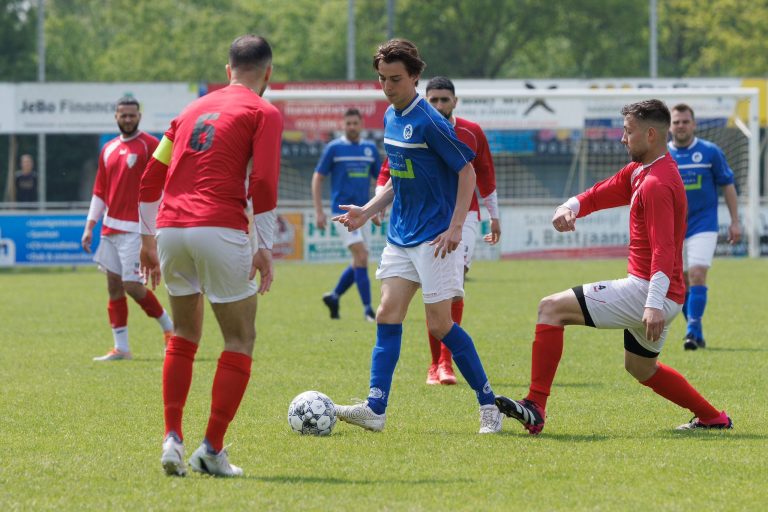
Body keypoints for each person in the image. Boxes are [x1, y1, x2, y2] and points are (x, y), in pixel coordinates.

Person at [495, 99, 732, 435]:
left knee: (550, 308)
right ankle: (713, 418)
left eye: (628, 132)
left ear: (650, 135)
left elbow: (664, 250)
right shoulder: (642, 171)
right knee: (641, 367)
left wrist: (652, 303)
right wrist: (571, 206)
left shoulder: (657, 183)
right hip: (662, 293)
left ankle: (535, 405)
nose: (623, 138)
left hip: (648, 291)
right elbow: (605, 191)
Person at [332, 39, 502, 434]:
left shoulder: (431, 121)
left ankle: (488, 404)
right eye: (381, 78)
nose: (387, 86)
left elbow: (467, 173)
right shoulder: (392, 117)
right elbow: (398, 179)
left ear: (414, 77)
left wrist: (457, 226)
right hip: (401, 237)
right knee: (388, 315)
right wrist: (368, 210)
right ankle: (376, 408)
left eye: (395, 79)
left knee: (441, 325)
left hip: (434, 239)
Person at [138, 34, 282, 478]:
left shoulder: (188, 112)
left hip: (170, 228)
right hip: (219, 227)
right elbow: (263, 184)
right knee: (239, 339)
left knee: (182, 335)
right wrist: (265, 246)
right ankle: (212, 449)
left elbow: (149, 178)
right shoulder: (264, 112)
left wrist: (147, 240)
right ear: (268, 74)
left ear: (227, 70)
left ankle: (172, 438)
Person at [376, 76, 501, 386]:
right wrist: (373, 205)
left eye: (446, 100)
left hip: (462, 217)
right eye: (435, 100)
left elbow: (480, 173)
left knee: (453, 287)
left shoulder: (470, 131)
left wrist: (493, 216)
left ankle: (446, 363)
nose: (440, 105)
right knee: (399, 307)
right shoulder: (407, 121)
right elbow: (391, 168)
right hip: (416, 225)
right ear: (426, 98)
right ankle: (433, 366)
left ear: (455, 101)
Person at [81, 97, 173, 362]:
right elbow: (100, 191)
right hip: (110, 229)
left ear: (139, 117)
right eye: (123, 115)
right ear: (116, 117)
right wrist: (90, 226)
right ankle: (121, 348)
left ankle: (170, 329)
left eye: (132, 115)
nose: (128, 119)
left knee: (132, 285)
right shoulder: (108, 149)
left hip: (136, 230)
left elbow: (164, 184)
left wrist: (159, 222)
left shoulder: (151, 146)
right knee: (113, 287)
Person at [668, 103, 740, 350]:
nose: (681, 126)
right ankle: (696, 332)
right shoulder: (662, 156)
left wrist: (735, 221)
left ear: (694, 124)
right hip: (674, 229)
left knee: (698, 273)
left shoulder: (710, 152)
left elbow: (728, 185)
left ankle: (690, 331)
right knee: (682, 282)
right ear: (669, 126)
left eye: (685, 121)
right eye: (676, 122)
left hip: (704, 224)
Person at [312, 108, 382, 322]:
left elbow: (380, 181)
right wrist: (319, 211)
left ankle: (334, 296)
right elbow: (317, 178)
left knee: (359, 261)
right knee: (361, 256)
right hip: (341, 213)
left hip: (364, 213)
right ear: (343, 125)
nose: (351, 127)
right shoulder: (334, 148)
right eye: (348, 123)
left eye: (355, 123)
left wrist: (377, 208)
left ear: (361, 125)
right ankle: (369, 310)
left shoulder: (370, 149)